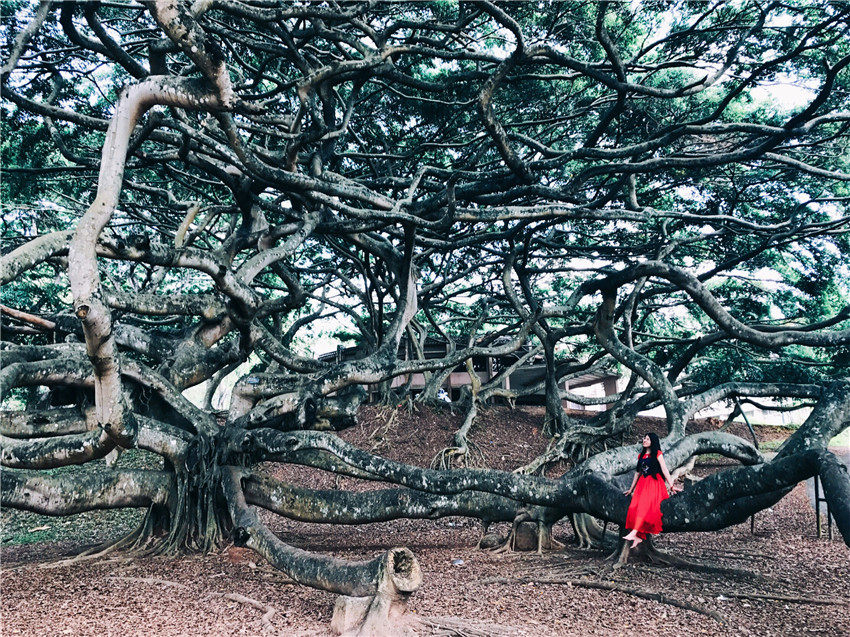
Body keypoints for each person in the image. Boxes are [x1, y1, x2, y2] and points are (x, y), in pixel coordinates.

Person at [622, 432, 674, 548]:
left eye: (647, 439)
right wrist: (631, 489)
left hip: (654, 484)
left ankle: (634, 532)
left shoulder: (658, 454)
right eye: (644, 438)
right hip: (643, 484)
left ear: (652, 442)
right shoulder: (641, 456)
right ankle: (639, 537)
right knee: (633, 507)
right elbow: (637, 473)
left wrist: (671, 485)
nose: (644, 440)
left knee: (644, 507)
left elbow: (664, 469)